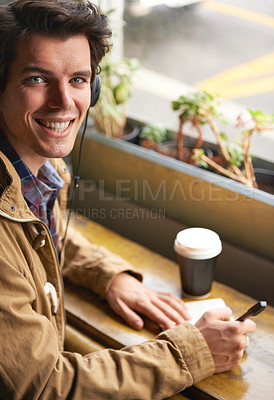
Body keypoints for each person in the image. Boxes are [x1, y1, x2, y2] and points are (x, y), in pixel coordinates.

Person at [0, 0, 256, 399]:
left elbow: (33, 241)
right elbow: (45, 385)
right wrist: (192, 352)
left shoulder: (37, 175)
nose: (64, 102)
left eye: (79, 80)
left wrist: (110, 275)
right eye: (37, 79)